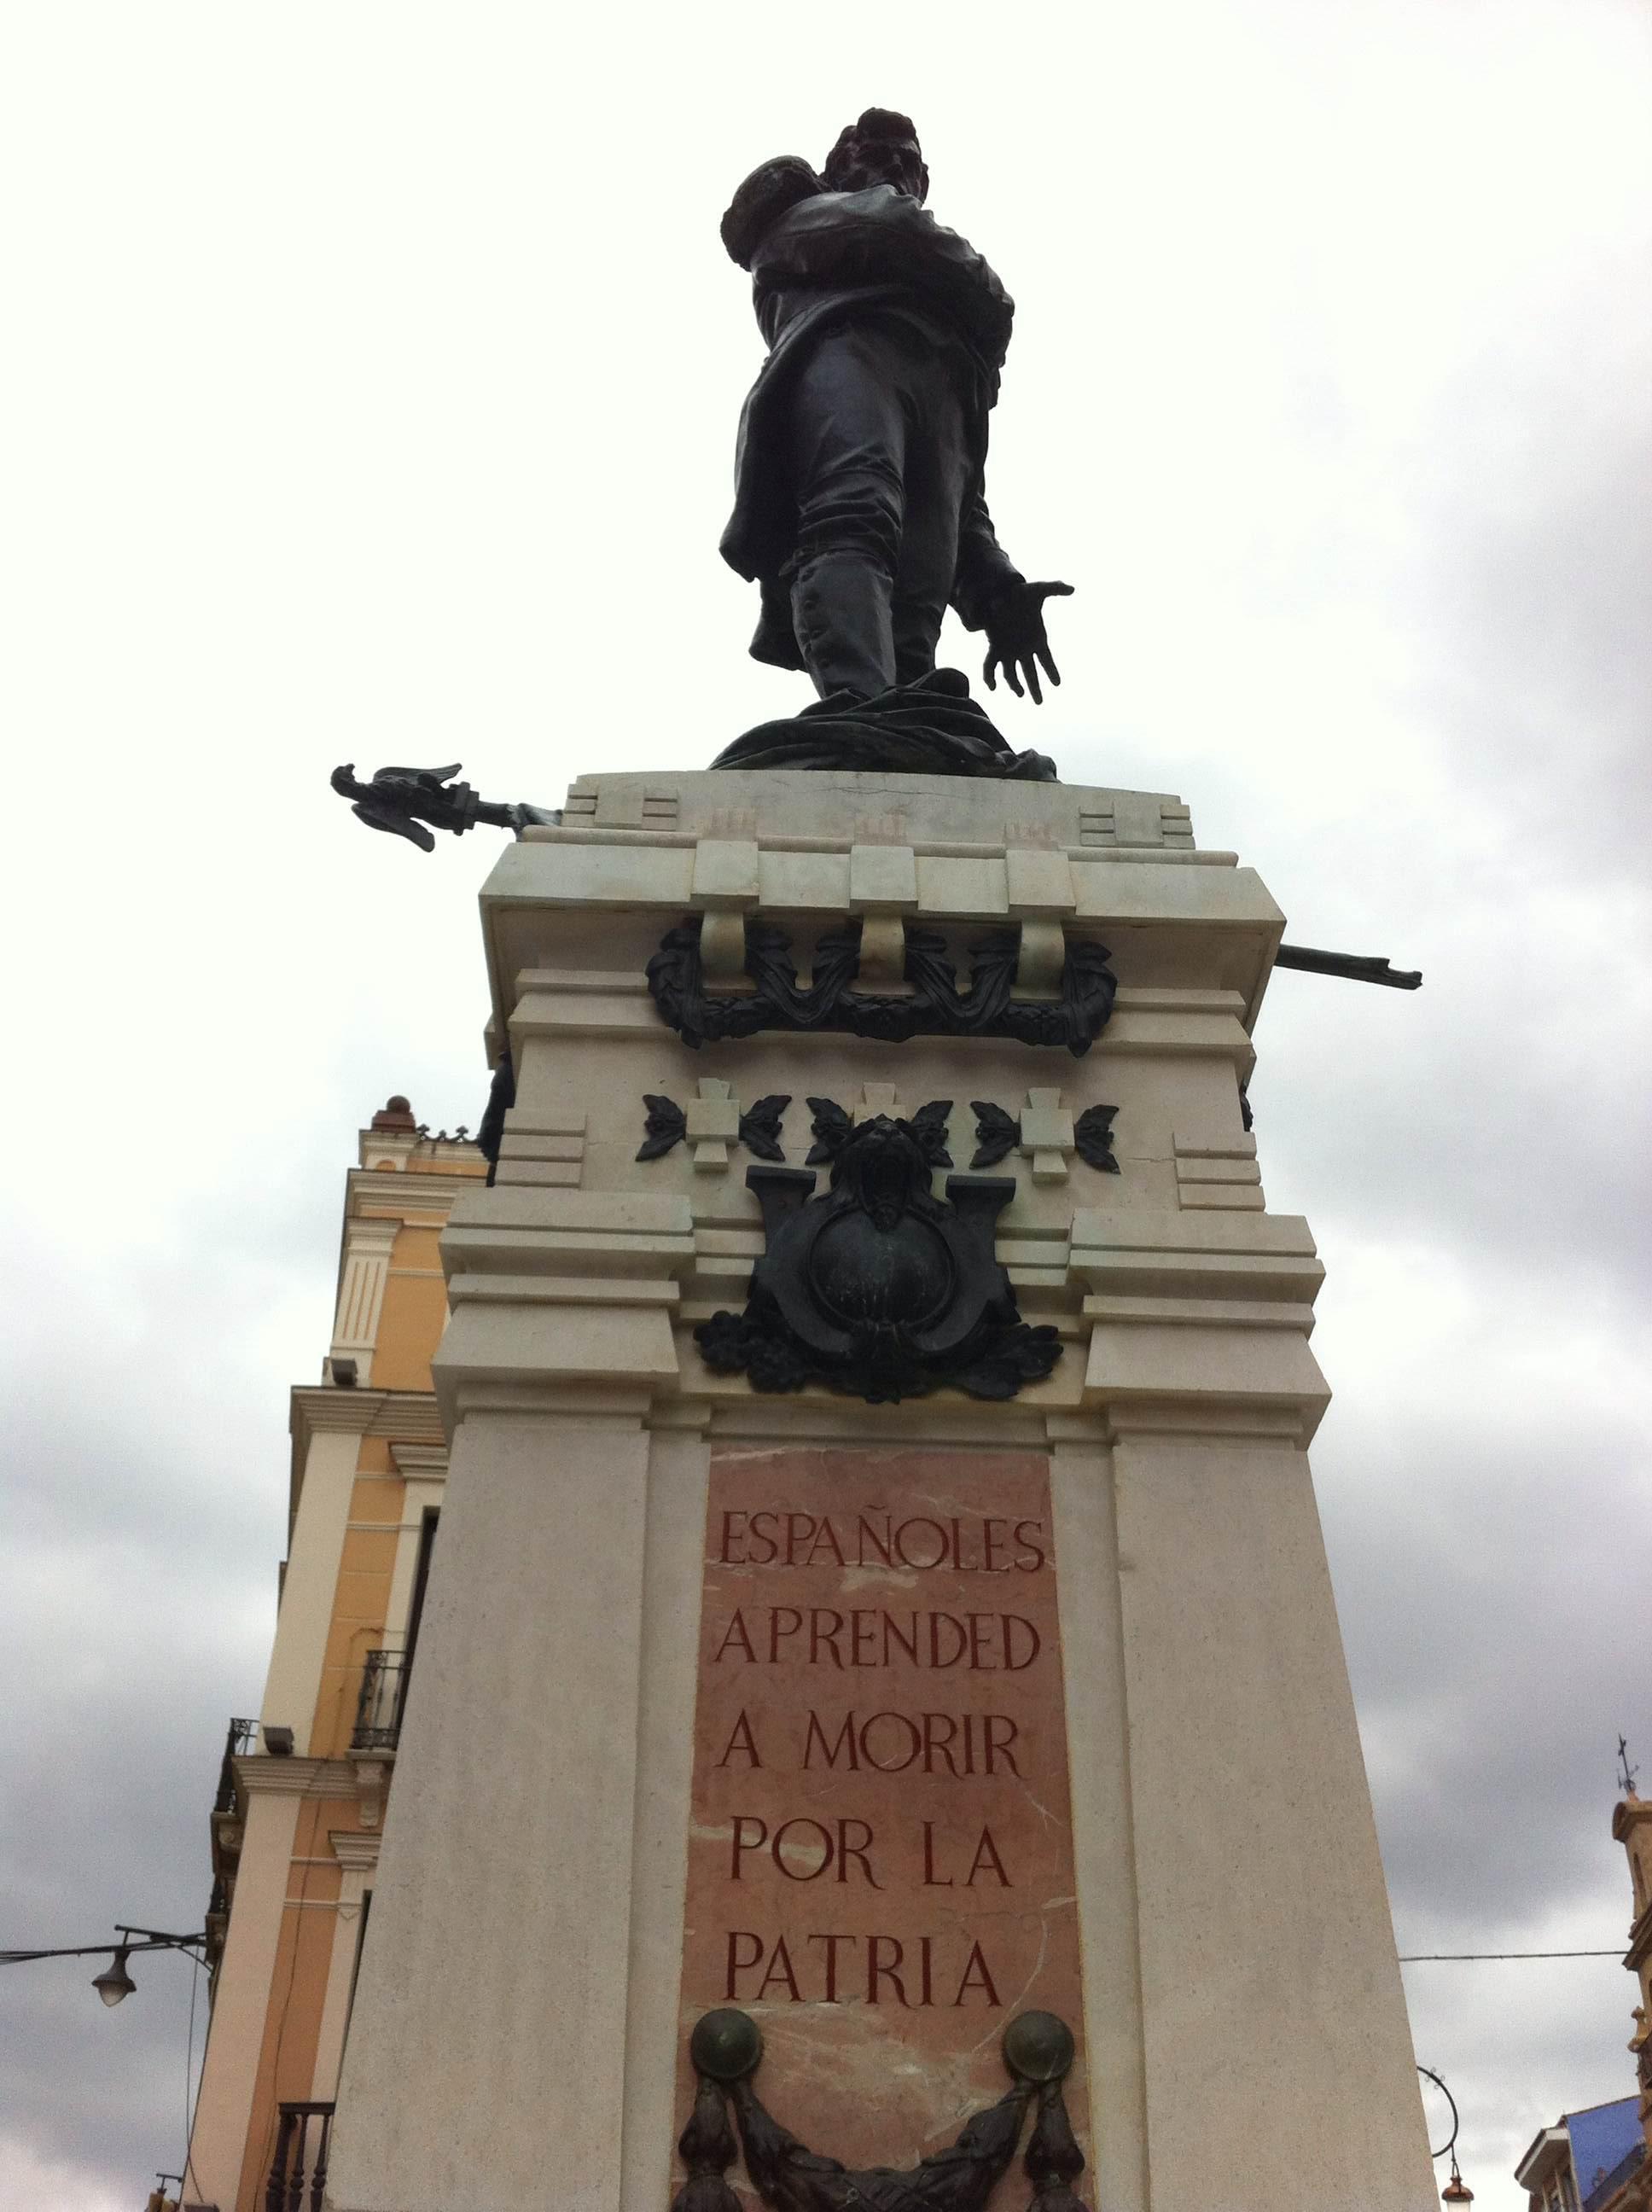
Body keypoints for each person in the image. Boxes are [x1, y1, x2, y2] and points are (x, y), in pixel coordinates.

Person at [719, 108, 1071, 713]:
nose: (895, 174)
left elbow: (966, 508)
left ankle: (905, 712)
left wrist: (998, 590)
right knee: (853, 514)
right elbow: (894, 229)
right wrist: (979, 292)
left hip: (938, 389)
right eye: (877, 156)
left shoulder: (958, 359)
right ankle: (861, 704)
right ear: (839, 167)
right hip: (844, 354)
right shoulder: (798, 222)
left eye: (908, 164)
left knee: (923, 575)